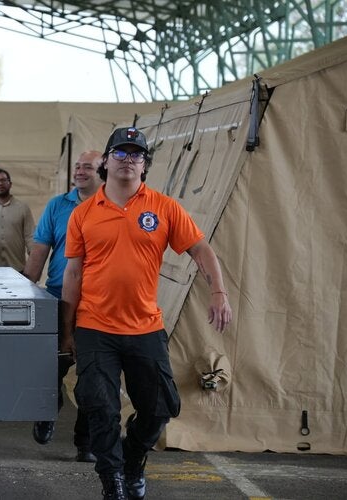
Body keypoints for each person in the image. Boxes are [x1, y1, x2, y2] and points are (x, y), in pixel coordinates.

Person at [61, 127, 232, 500]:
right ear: (106, 162)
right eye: (119, 153)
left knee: (159, 409)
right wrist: (67, 330)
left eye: (135, 155)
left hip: (145, 326)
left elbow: (201, 250)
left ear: (145, 165)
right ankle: (113, 483)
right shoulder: (84, 214)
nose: (127, 160)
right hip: (95, 325)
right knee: (100, 408)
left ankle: (133, 458)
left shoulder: (164, 207)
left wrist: (218, 291)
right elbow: (73, 273)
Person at [22, 150, 103, 463]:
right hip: (58, 296)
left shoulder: (114, 205)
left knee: (93, 377)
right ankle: (47, 409)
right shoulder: (58, 206)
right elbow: (39, 251)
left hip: (98, 304)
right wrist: (25, 287)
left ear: (103, 171)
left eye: (88, 167)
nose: (80, 172)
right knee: (50, 368)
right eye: (78, 167)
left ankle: (86, 443)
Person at [0, 168, 34, 271]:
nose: (0, 184)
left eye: (3, 180)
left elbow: (30, 237)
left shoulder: (23, 208)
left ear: (10, 184)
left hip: (17, 270)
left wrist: (34, 265)